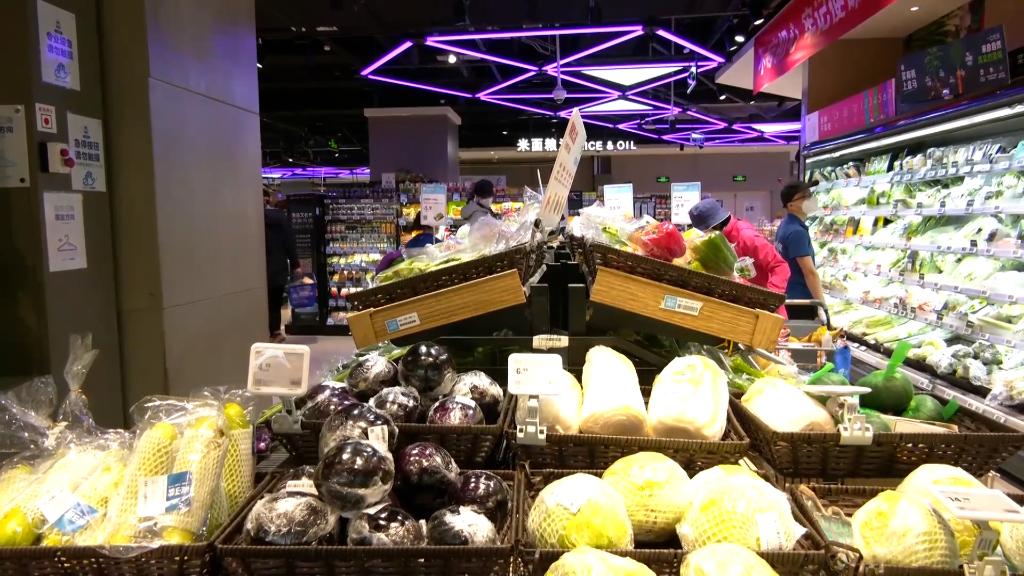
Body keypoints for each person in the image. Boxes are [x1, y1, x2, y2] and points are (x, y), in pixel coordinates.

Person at [688, 198, 790, 318]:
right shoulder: (716, 242)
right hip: (743, 310)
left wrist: (770, 298)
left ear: (715, 225)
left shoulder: (746, 236)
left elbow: (780, 266)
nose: (704, 237)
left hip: (768, 313)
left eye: (705, 232)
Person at [775, 181, 828, 322]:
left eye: (810, 194)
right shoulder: (797, 232)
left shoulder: (786, 225)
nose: (811, 199)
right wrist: (822, 306)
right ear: (791, 205)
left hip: (788, 296)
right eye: (805, 196)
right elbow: (809, 272)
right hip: (800, 301)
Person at [264, 193, 300, 342]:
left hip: (261, 267)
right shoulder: (281, 218)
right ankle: (275, 331)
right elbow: (289, 242)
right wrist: (295, 264)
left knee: (265, 301)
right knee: (275, 300)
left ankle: (266, 331)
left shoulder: (256, 219)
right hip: (278, 266)